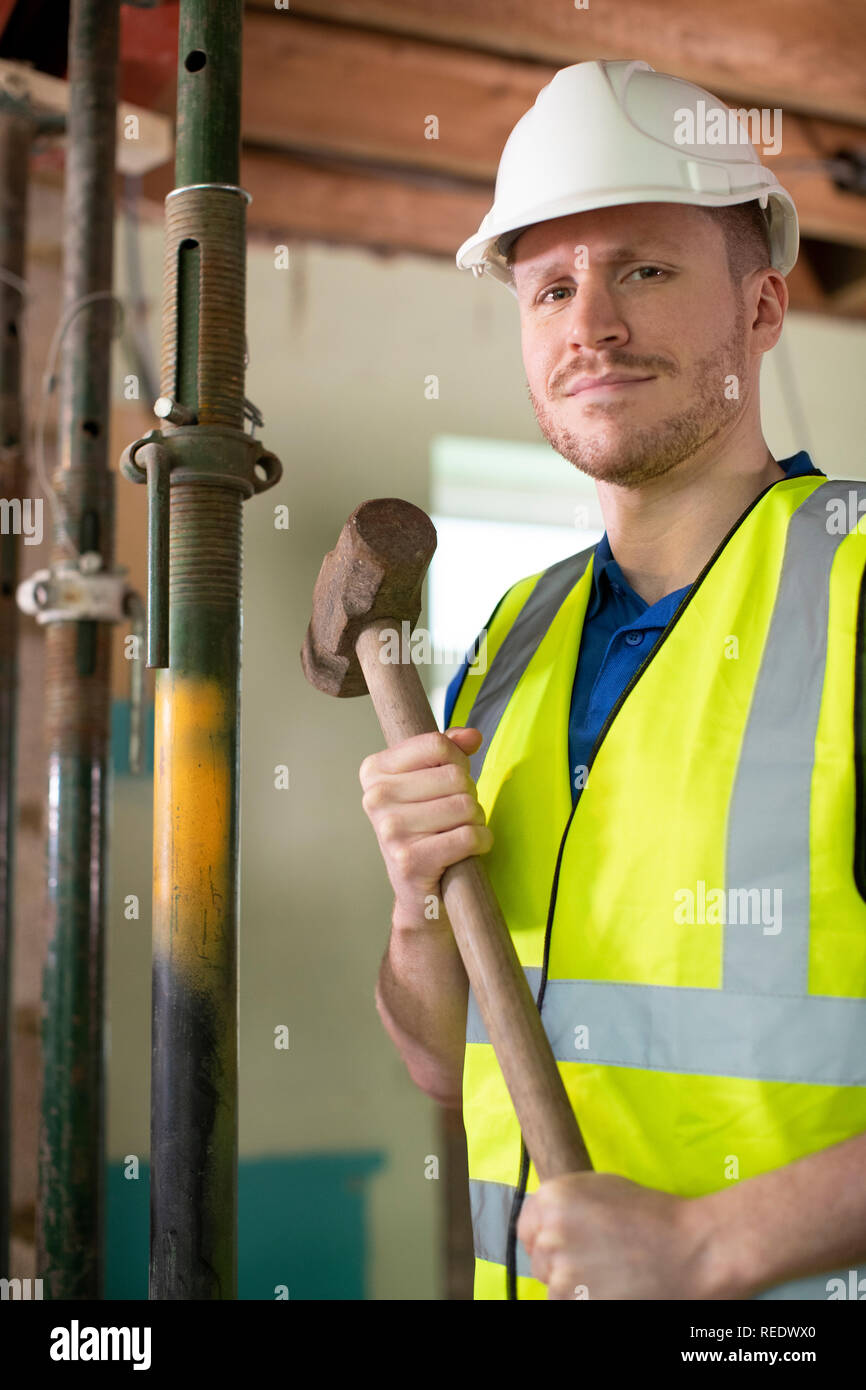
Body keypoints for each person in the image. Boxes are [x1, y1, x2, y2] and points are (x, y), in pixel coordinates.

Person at [360, 59, 866, 1300]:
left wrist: (714, 1244)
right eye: (549, 286)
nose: (589, 323)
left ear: (758, 307)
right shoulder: (514, 637)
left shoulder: (856, 588)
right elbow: (444, 1062)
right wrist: (416, 903)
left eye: (641, 267)